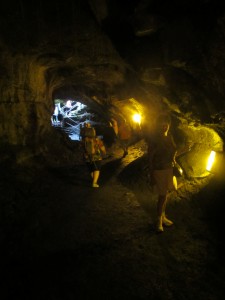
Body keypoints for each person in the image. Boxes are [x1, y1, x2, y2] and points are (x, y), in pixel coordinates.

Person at [147, 113, 178, 233]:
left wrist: (182, 151)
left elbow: (173, 153)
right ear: (158, 126)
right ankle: (158, 220)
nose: (164, 126)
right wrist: (151, 175)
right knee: (162, 196)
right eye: (162, 125)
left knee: (166, 195)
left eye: (166, 124)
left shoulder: (169, 137)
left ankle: (163, 217)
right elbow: (150, 158)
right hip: (159, 170)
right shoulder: (155, 140)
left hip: (169, 169)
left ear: (169, 125)